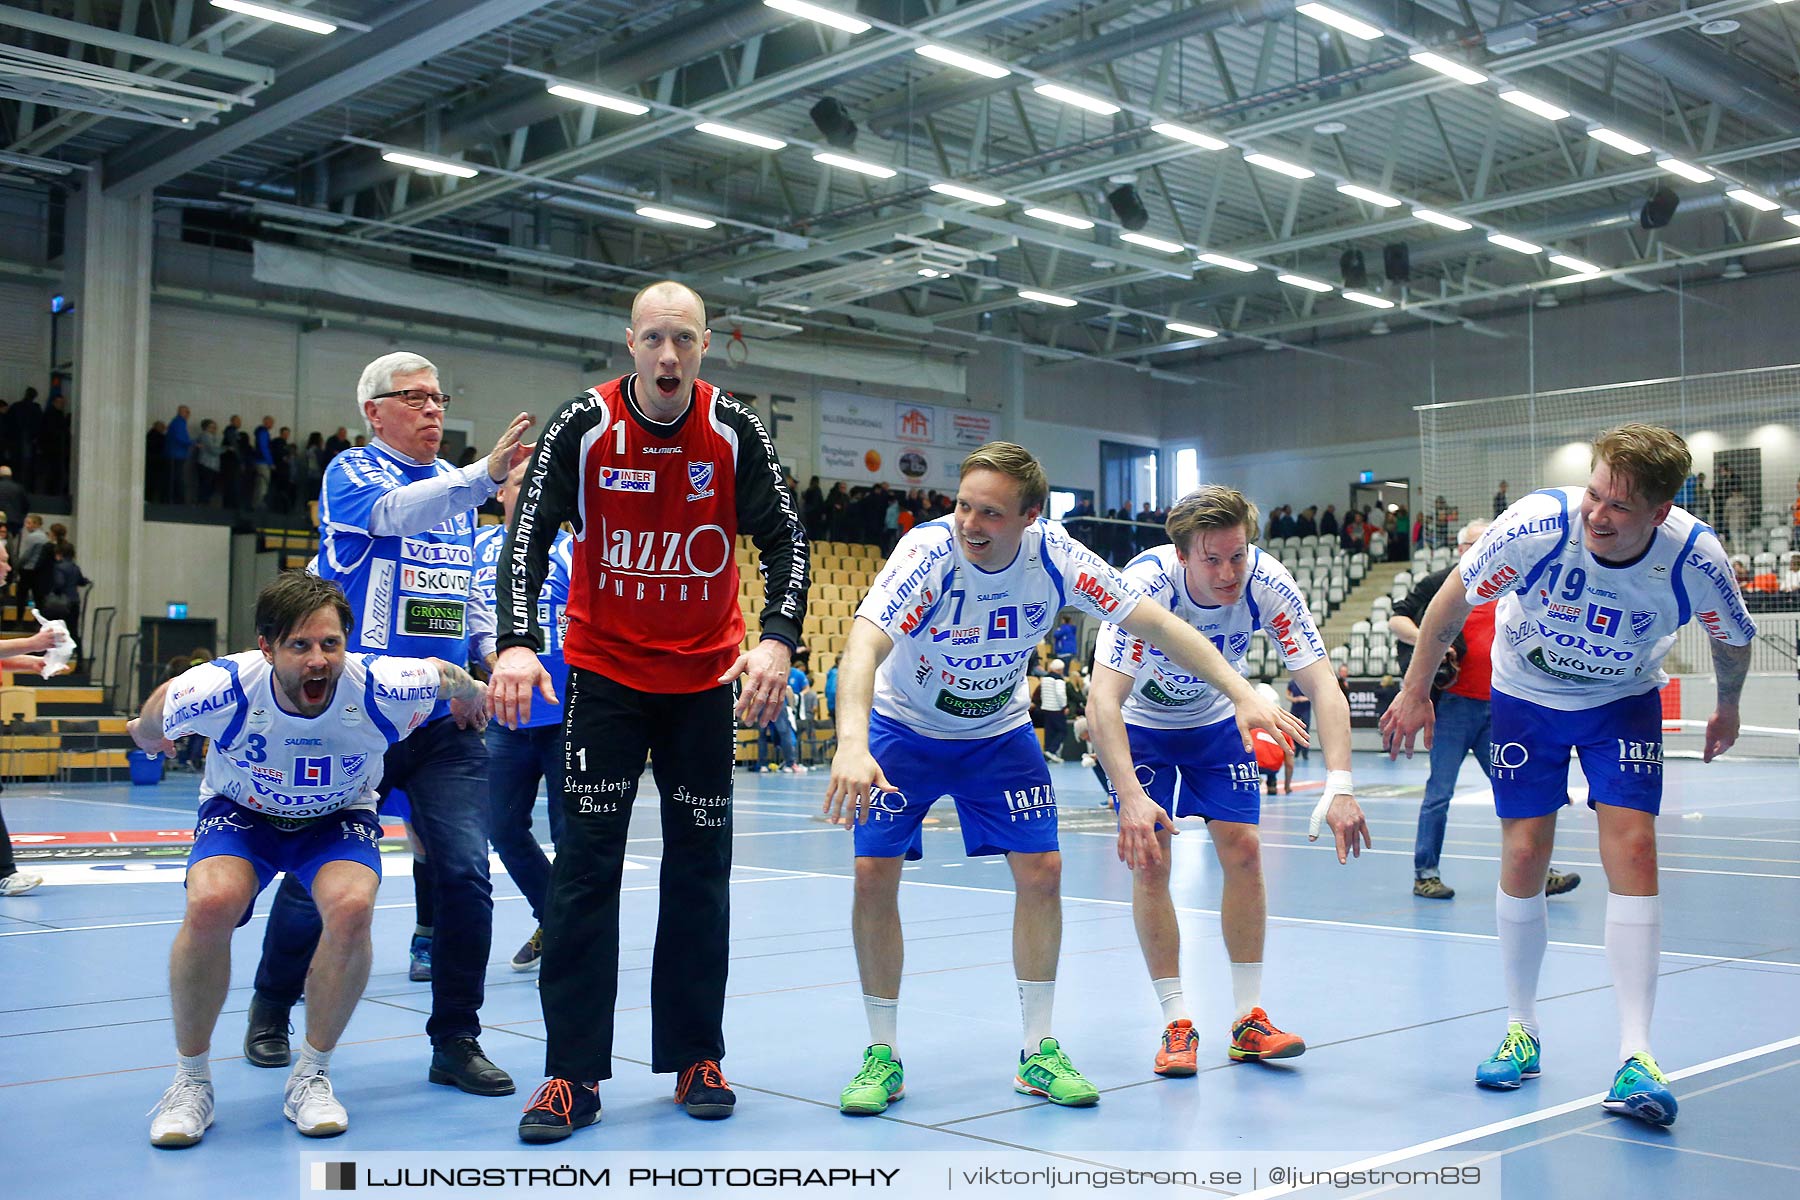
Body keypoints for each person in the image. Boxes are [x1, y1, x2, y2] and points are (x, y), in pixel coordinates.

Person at [823, 443, 1307, 1116]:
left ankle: (1038, 1050)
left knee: (1044, 870)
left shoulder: (1057, 557)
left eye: (990, 512)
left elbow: (1159, 624)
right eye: (963, 505)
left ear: (1030, 518)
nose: (969, 522)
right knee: (874, 874)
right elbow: (864, 646)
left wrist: (1243, 692)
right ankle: (882, 1052)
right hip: (905, 729)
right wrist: (851, 740)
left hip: (997, 732)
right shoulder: (926, 556)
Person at [490, 280, 807, 1142]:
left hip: (704, 686)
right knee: (585, 874)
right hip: (605, 681)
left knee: (699, 873)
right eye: (655, 340)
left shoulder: (734, 430)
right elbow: (528, 534)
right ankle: (569, 1076)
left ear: (705, 348)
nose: (670, 357)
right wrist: (518, 640)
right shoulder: (584, 425)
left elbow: (787, 538)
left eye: (686, 342)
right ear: (630, 343)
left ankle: (697, 1055)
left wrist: (777, 637)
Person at [1381, 424, 1756, 1127]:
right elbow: (1451, 601)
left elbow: (1732, 640)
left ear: (1660, 512)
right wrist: (1414, 689)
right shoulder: (1538, 526)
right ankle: (1521, 1029)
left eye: (1618, 505)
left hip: (1622, 700)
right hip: (1526, 694)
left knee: (1636, 849)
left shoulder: (1695, 558)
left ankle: (1637, 1055)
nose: (1597, 514)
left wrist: (1727, 706)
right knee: (1525, 853)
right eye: (1594, 492)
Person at [241, 354, 532, 1098]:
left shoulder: (457, 497)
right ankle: (273, 1005)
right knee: (319, 881)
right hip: (357, 721)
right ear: (376, 411)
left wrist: (485, 660)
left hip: (442, 721)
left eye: (438, 397)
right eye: (416, 398)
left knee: (466, 874)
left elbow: (462, 593)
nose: (433, 409)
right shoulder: (354, 474)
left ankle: (456, 1040)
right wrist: (484, 476)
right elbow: (402, 516)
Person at [133, 572, 487, 1147]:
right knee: (211, 901)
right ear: (267, 647)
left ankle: (313, 1074)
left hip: (336, 816)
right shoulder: (225, 685)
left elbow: (446, 674)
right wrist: (146, 733)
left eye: (331, 644)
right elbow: (159, 708)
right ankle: (190, 1081)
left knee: (351, 907)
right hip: (243, 813)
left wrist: (473, 697)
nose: (318, 659)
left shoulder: (381, 682)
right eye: (300, 645)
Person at [1088, 485, 1369, 1078]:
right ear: (1183, 555)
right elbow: (1103, 702)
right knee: (1153, 860)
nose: (1228, 572)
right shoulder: (1142, 586)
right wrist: (1131, 798)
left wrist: (1340, 782)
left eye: (1237, 555)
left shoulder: (1268, 583)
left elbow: (1322, 684)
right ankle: (1176, 1021)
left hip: (1216, 717)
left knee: (1244, 851)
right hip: (1140, 725)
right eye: (1212, 559)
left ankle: (1247, 1021)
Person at [1390, 520, 1581, 902]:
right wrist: (1430, 642)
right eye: (1480, 543)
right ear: (1463, 550)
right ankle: (1425, 874)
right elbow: (1397, 619)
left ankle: (1537, 871)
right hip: (1454, 710)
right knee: (1439, 793)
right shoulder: (1441, 583)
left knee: (1517, 790)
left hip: (1501, 706)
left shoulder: (1512, 581)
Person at [474, 458, 575, 973]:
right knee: (500, 824)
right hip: (507, 714)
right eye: (520, 482)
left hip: (566, 710)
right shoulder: (479, 550)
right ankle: (556, 917)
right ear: (500, 494)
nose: (534, 491)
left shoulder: (576, 548)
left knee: (569, 833)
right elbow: (468, 621)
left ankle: (569, 932)